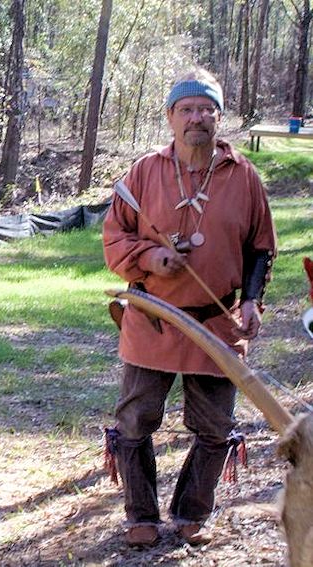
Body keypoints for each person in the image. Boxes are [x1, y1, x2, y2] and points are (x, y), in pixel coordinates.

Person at [102, 68, 277, 546]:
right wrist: (152, 258)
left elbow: (261, 247)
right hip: (153, 318)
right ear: (170, 118)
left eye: (206, 109)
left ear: (218, 118)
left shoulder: (244, 176)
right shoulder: (143, 172)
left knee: (215, 425)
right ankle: (140, 514)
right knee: (136, 419)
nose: (196, 118)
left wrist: (253, 301)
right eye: (187, 109)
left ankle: (191, 512)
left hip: (217, 321)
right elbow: (115, 237)